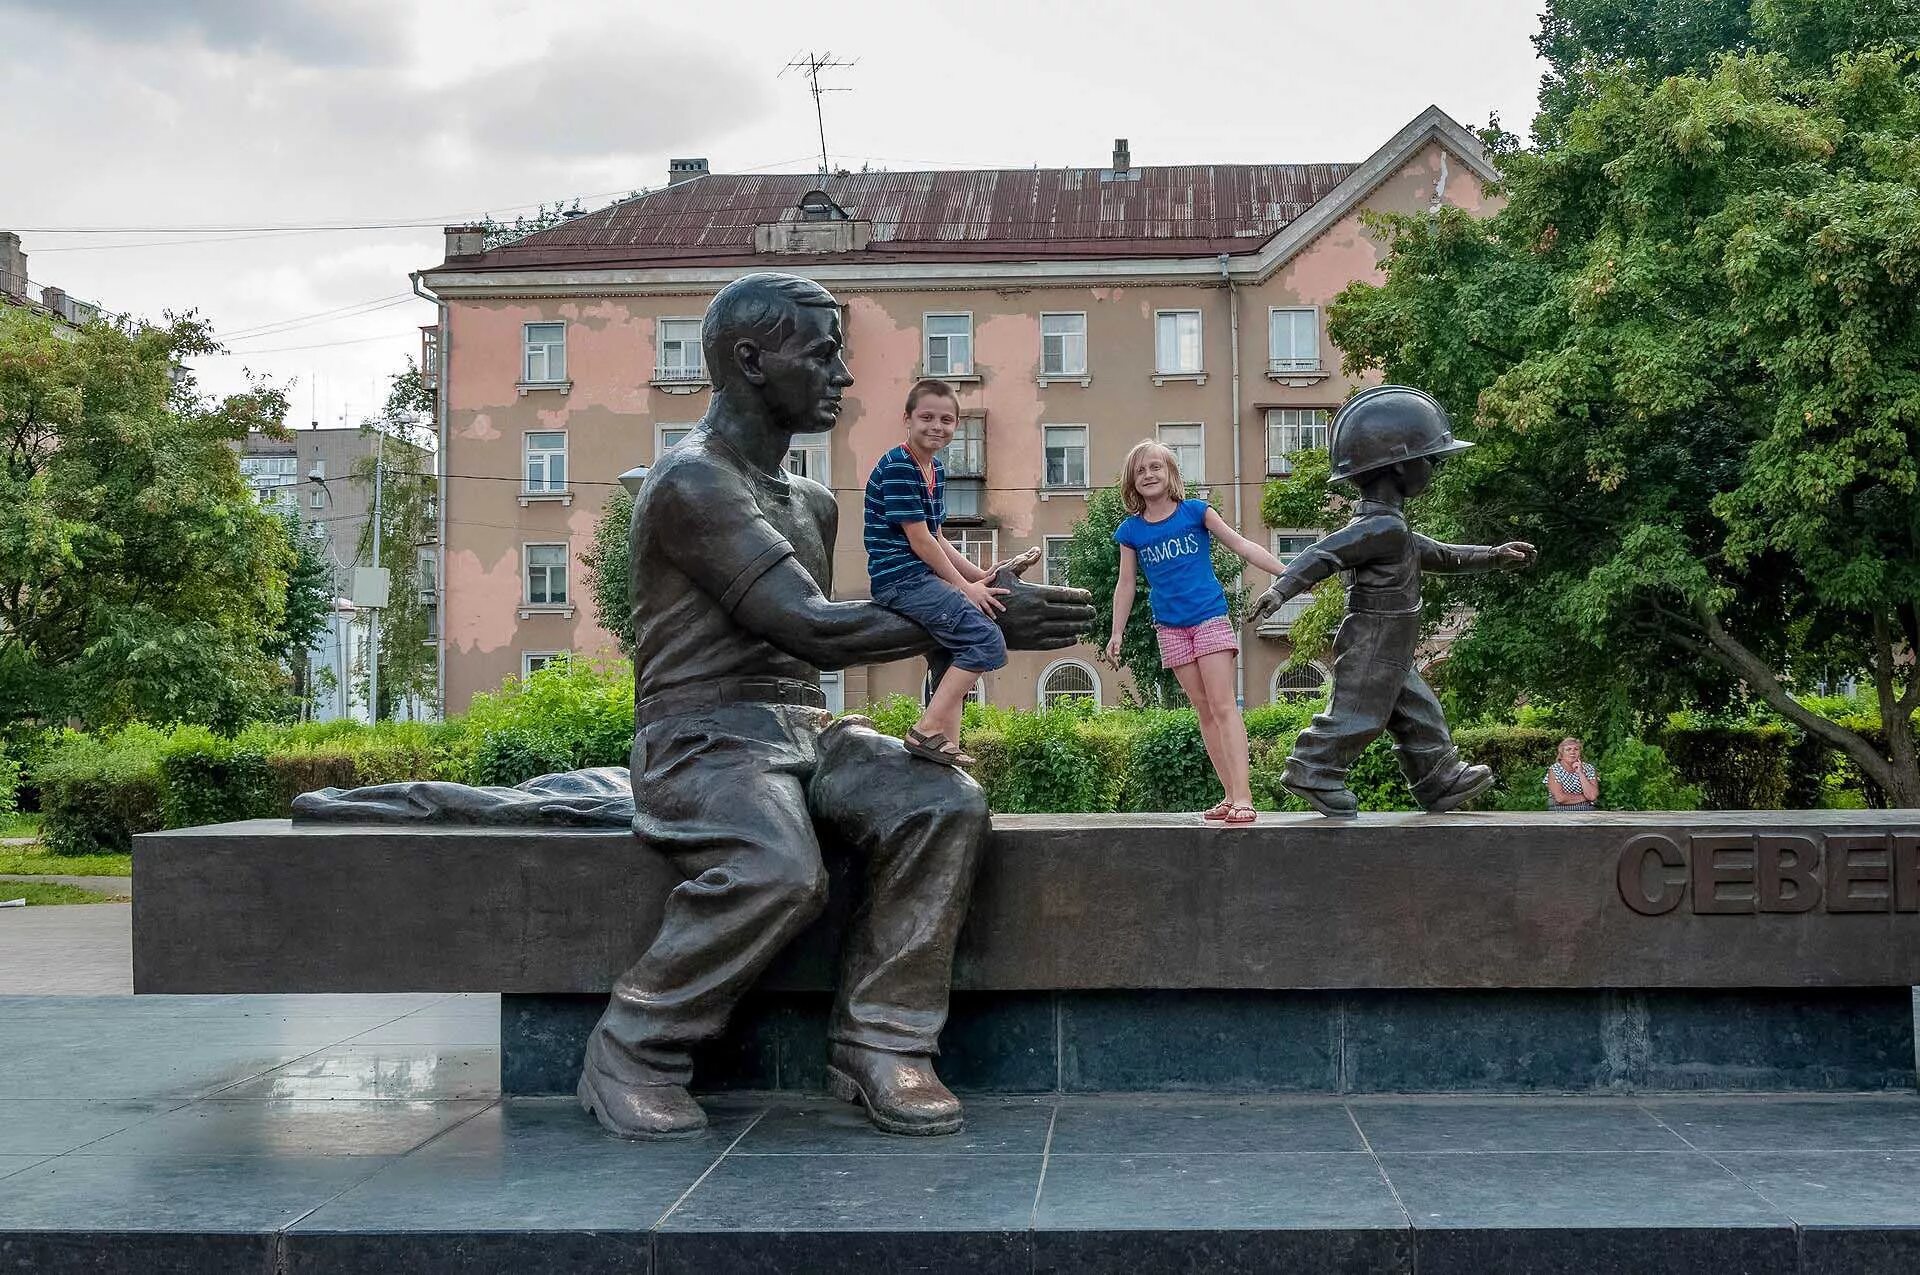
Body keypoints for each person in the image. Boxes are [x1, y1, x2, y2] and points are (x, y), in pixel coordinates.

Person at [575, 273, 1093, 1141]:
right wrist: (970, 614)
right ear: (749, 360)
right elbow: (812, 627)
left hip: (801, 733)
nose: (844, 376)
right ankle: (633, 1046)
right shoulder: (692, 482)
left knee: (942, 800)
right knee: (781, 867)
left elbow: (835, 630)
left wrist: (972, 611)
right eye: (822, 353)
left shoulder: (810, 500)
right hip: (699, 740)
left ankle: (879, 1043)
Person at [1250, 386, 1536, 818]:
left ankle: (1436, 777)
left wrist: (1494, 555)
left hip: (1392, 643)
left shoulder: (1390, 528)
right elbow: (1321, 553)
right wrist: (1279, 590)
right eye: (1432, 459)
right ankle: (1313, 766)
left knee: (1420, 712)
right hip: (1374, 639)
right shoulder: (1381, 528)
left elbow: (1442, 554)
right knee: (1358, 713)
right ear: (1401, 466)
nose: (1436, 467)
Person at [1106, 440, 1297, 826]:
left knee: (1223, 704)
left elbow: (1242, 545)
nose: (1149, 474)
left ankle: (1244, 797)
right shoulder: (1131, 531)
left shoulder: (1196, 512)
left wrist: (1290, 574)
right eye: (1141, 470)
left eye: (1156, 467)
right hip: (1170, 627)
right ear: (1132, 482)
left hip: (1208, 618)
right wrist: (1117, 632)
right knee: (1204, 710)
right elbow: (1125, 585)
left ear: (1171, 473)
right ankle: (1228, 795)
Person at [864, 379, 1036, 767]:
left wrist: (980, 575)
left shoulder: (935, 470)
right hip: (900, 578)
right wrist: (965, 589)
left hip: (922, 576)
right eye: (926, 417)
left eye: (946, 419)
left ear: (956, 426)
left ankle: (945, 747)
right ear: (907, 419)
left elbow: (938, 537)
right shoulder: (898, 466)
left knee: (951, 656)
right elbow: (920, 541)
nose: (936, 426)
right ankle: (926, 729)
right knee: (985, 640)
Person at [1545, 737, 1599, 810]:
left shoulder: (1589, 768)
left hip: (1586, 810)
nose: (1572, 752)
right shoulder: (1555, 769)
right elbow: (1560, 798)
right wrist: (1586, 797)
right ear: (1562, 753)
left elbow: (1592, 796)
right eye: (1568, 749)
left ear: (1580, 752)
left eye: (1576, 749)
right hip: (1560, 810)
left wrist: (1580, 773)